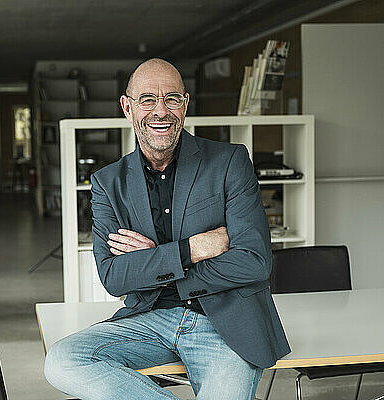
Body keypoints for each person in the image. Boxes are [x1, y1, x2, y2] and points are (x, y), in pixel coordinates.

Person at [44, 58, 290, 400]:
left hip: (225, 322)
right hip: (149, 320)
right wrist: (193, 248)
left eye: (171, 99)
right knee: (63, 360)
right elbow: (115, 277)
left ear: (185, 105)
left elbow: (254, 261)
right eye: (147, 100)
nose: (161, 111)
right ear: (127, 108)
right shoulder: (107, 183)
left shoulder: (230, 162)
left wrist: (155, 262)